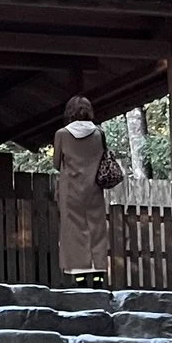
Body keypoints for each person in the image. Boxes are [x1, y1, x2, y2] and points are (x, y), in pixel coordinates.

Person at [53, 94, 121, 282]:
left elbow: (56, 163)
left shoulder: (62, 134)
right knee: (96, 228)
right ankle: (98, 272)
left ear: (69, 112)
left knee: (74, 231)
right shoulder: (99, 134)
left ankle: (80, 275)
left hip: (70, 190)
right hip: (93, 188)